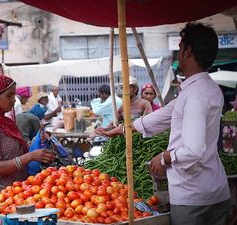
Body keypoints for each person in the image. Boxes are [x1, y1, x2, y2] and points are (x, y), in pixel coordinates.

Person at [96, 22, 231, 225]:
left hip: (192, 198)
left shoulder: (195, 95)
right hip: (216, 191)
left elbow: (194, 150)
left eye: (180, 48)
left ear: (188, 51)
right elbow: (164, 115)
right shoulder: (208, 88)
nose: (178, 53)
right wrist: (123, 129)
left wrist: (164, 157)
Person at [0, 75, 55, 186]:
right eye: (9, 95)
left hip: (15, 190)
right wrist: (30, 157)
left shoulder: (6, 122)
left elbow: (14, 150)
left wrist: (37, 141)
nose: (13, 100)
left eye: (14, 95)